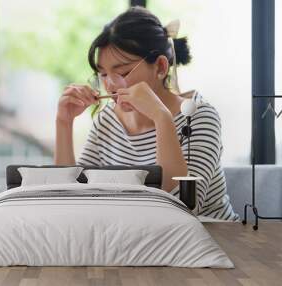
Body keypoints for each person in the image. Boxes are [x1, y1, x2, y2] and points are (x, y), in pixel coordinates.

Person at [54, 6, 239, 221]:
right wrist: (63, 123)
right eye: (103, 74)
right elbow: (68, 197)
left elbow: (182, 208)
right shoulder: (107, 121)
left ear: (160, 67)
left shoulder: (198, 116)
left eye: (122, 72)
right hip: (141, 240)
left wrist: (161, 117)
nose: (110, 85)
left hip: (211, 239)